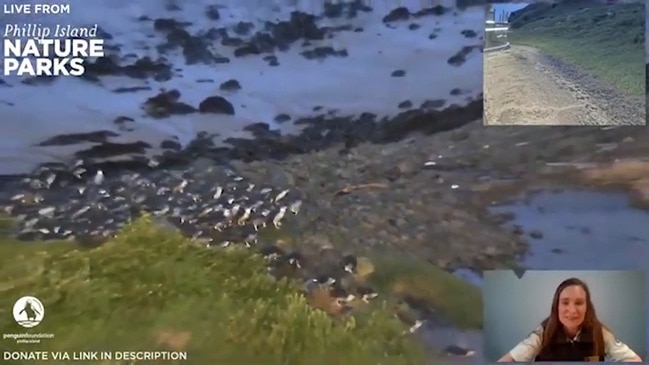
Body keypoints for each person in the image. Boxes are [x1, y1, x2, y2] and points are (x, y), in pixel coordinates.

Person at [498, 277, 643, 362]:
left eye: (579, 303)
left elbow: (635, 360)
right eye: (565, 302)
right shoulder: (542, 334)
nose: (572, 311)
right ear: (557, 306)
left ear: (587, 307)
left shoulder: (600, 333)